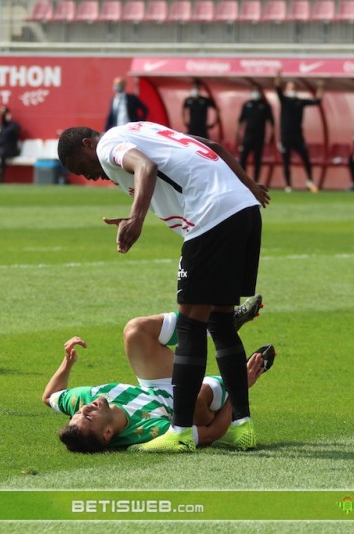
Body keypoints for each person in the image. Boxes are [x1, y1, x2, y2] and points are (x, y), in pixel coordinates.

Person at [57, 121, 269, 453]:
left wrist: (136, 218)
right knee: (221, 324)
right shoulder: (141, 129)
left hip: (211, 216)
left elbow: (146, 166)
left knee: (191, 325)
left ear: (87, 144)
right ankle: (243, 426)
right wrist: (248, 186)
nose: (87, 176)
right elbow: (216, 147)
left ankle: (181, 432)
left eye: (79, 167)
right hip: (242, 211)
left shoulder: (107, 144)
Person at [43, 296, 274, 453]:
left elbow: (50, 396)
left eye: (77, 413)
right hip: (195, 406)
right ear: (107, 434)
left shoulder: (88, 400)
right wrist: (238, 388)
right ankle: (234, 368)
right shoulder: (146, 432)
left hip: (157, 386)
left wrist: (67, 363)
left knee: (135, 330)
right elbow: (210, 434)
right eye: (89, 417)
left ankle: (213, 325)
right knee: (198, 395)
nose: (85, 409)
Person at [274, 70, 322, 193]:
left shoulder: (300, 102)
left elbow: (317, 101)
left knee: (305, 158)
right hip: (285, 136)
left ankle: (310, 181)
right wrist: (278, 76)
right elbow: (277, 87)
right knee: (286, 161)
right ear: (287, 89)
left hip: (298, 136)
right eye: (290, 87)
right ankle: (288, 185)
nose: (292, 89)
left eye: (294, 87)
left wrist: (320, 86)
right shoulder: (284, 100)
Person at [237, 88, 275, 184]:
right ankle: (243, 179)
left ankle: (256, 180)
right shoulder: (247, 105)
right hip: (248, 136)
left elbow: (271, 122)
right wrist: (238, 134)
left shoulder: (265, 106)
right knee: (243, 158)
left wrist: (272, 135)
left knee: (257, 159)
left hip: (259, 137)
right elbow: (241, 120)